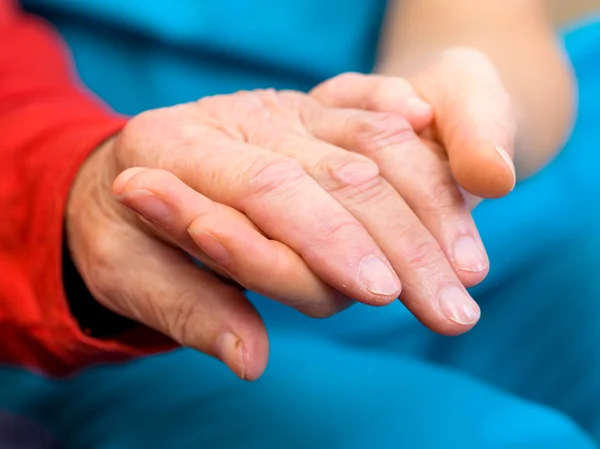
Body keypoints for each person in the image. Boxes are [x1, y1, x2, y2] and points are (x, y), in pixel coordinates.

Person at [0, 0, 599, 447]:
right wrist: (73, 187)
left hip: (513, 222)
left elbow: (476, 23)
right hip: (140, 279)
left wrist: (462, 107)